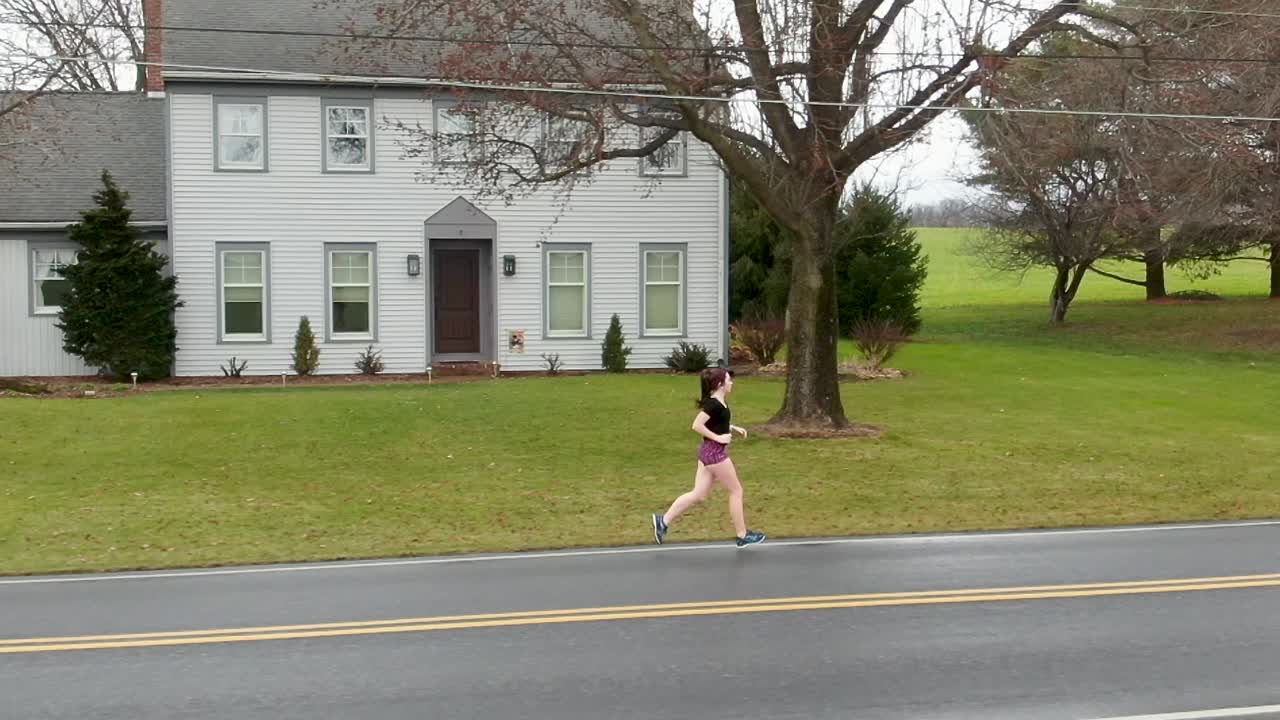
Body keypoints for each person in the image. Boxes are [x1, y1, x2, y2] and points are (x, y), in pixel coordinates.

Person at [652, 367, 767, 548]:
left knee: (699, 495)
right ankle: (742, 535)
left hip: (707, 453)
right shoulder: (714, 404)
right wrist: (719, 438)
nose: (731, 383)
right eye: (728, 380)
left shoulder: (718, 403)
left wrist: (732, 428)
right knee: (736, 491)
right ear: (720, 384)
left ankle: (663, 521)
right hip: (715, 454)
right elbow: (697, 425)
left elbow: (716, 422)